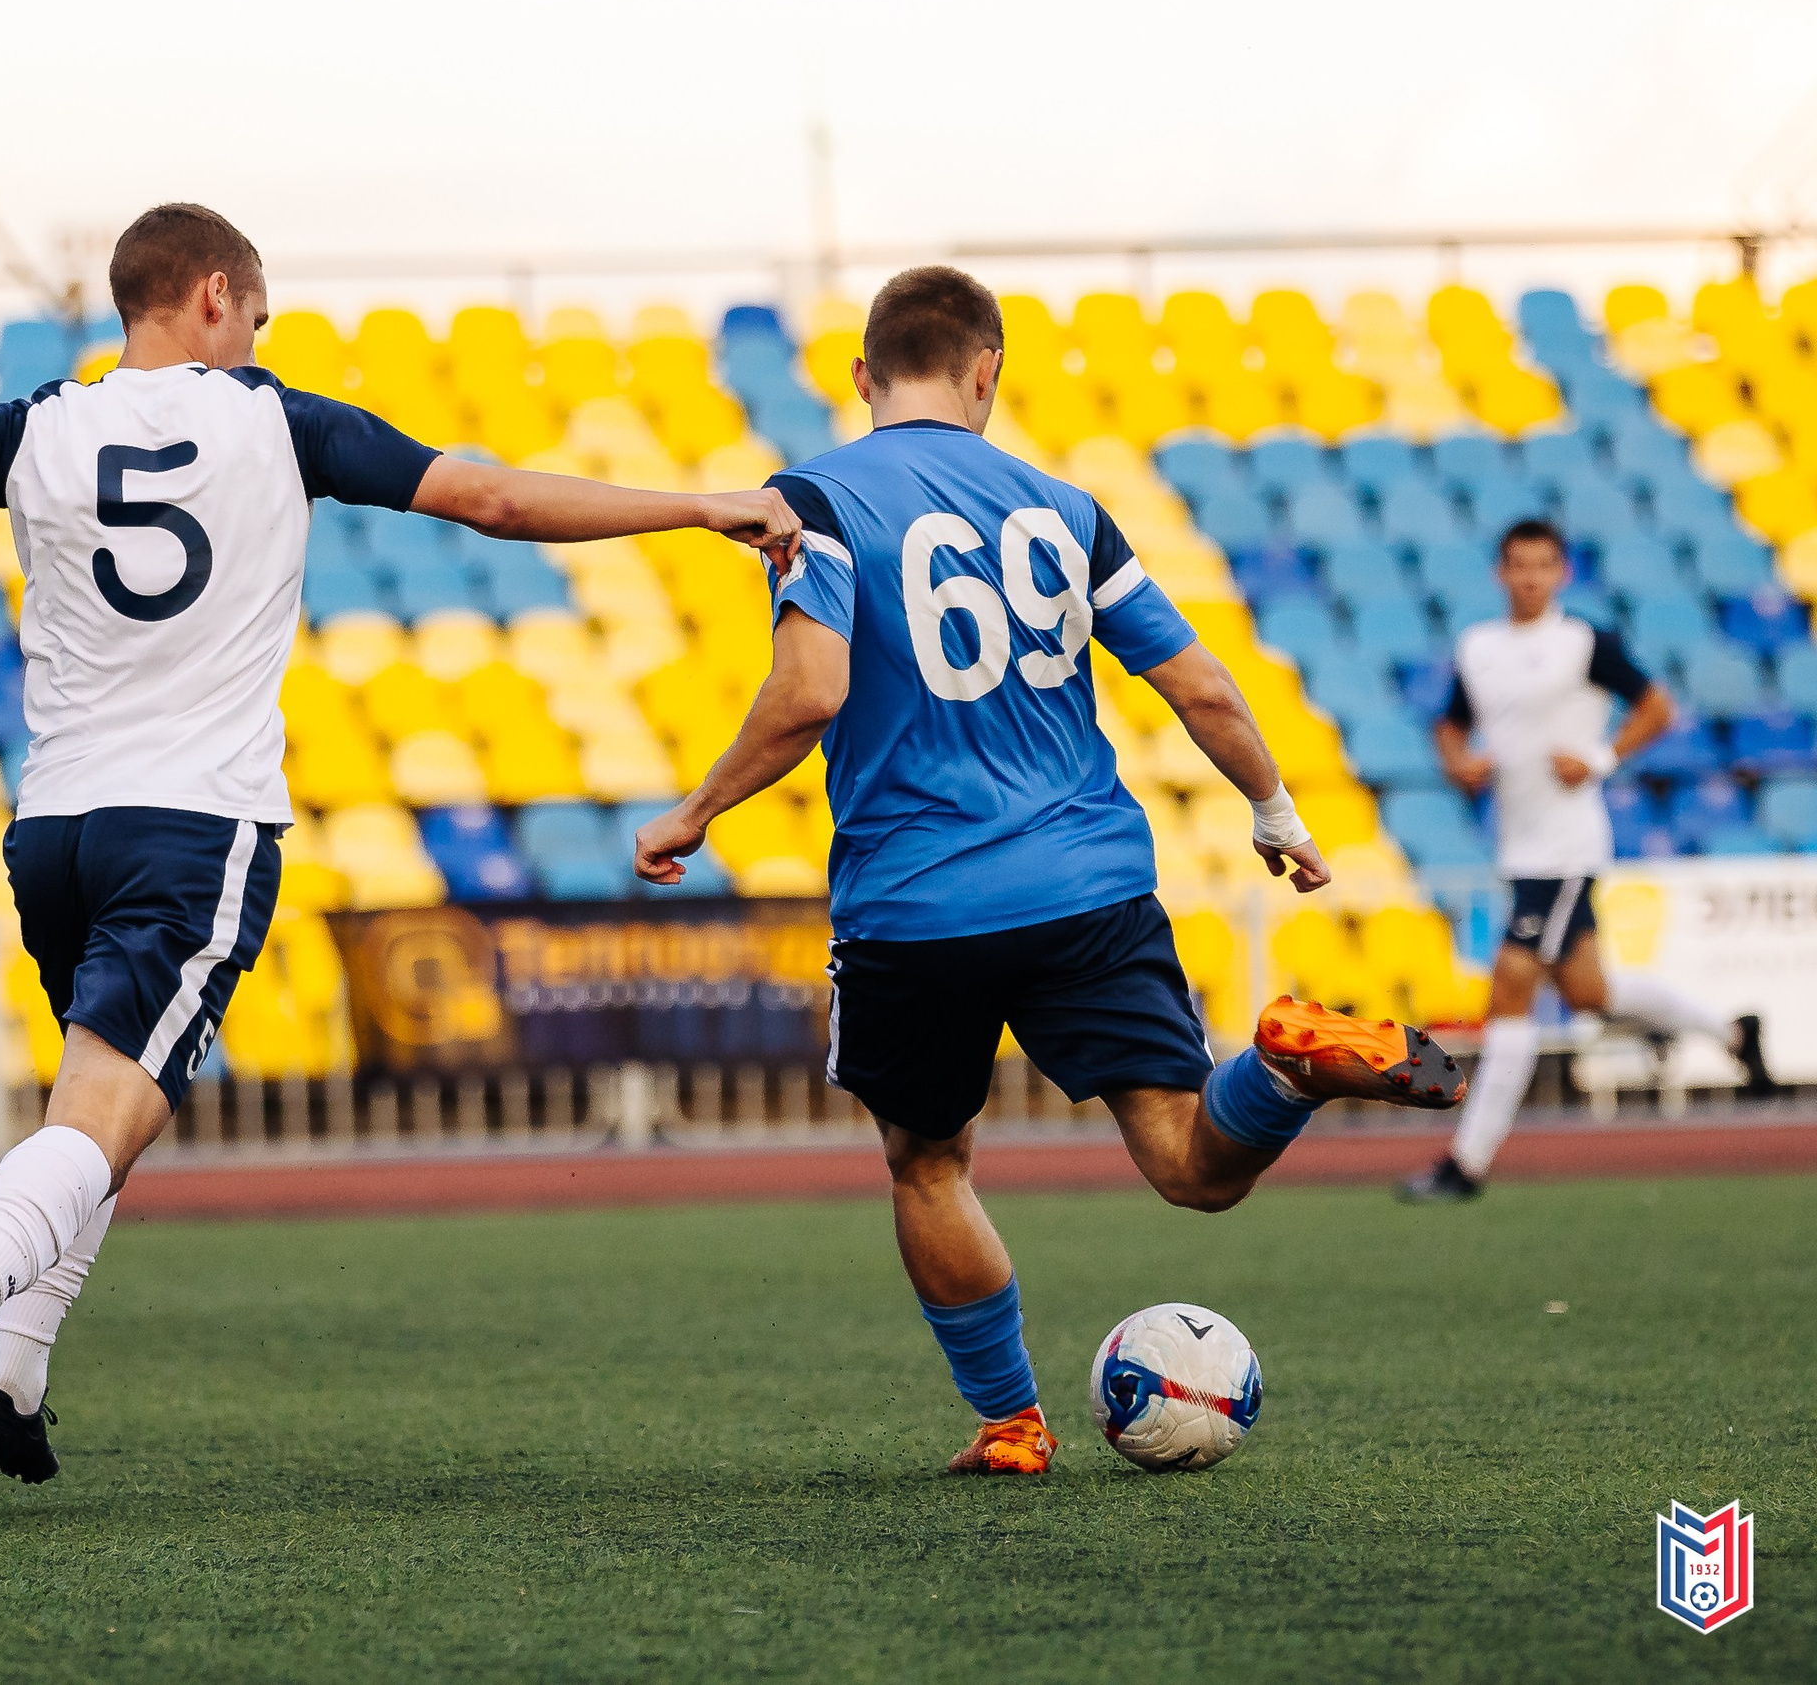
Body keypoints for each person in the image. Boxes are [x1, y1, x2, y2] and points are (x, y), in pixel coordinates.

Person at [0, 203, 804, 1490]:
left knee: (100, 1113)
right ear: (209, 295)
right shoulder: (276, 418)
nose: (258, 334)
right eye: (255, 311)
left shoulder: (30, 427)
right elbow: (489, 498)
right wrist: (692, 506)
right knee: (106, 1119)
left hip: (57, 830)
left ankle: (17, 1379)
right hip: (196, 824)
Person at [631, 266, 1471, 1476]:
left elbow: (810, 693)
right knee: (1189, 1164)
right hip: (1087, 882)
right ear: (987, 374)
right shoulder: (1068, 511)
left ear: (861, 377)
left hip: (916, 904)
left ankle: (1012, 1423)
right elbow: (1198, 684)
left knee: (927, 1160)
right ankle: (1283, 1067)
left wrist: (696, 809)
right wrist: (1273, 810)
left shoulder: (810, 501)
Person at [1398, 518, 1775, 1203]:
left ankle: (1466, 1162)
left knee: (1511, 982)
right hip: (1518, 844)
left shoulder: (1583, 642)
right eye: (1518, 563)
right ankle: (1732, 1030)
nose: (1530, 576)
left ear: (1561, 572)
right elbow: (1449, 722)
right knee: (1589, 994)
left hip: (1568, 847)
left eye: (1543, 564)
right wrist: (1460, 764)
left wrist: (1600, 758)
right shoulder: (1479, 647)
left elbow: (1657, 706)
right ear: (1500, 572)